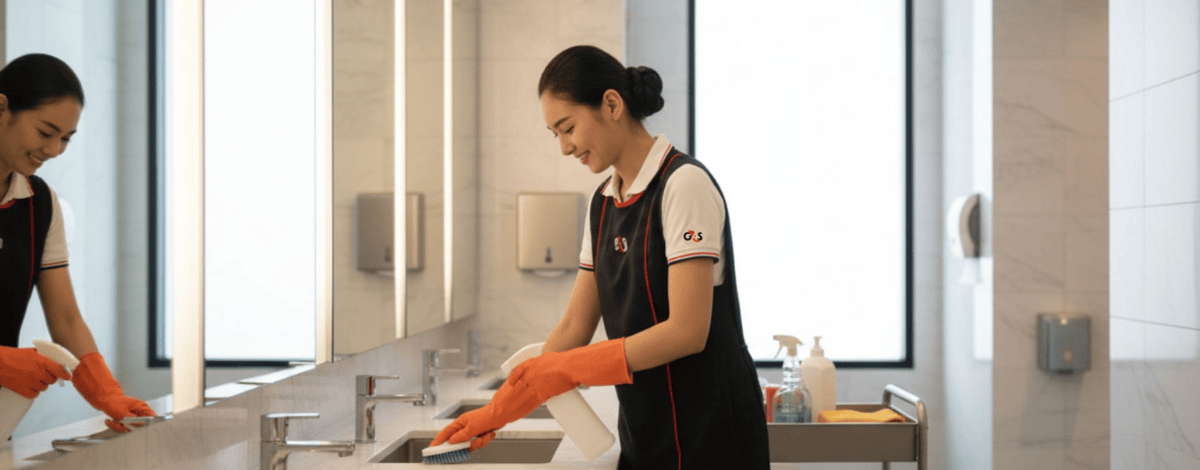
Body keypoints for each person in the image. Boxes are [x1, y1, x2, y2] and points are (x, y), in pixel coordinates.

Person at [431, 45, 769, 469]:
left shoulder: (683, 185)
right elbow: (575, 325)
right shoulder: (604, 203)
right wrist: (493, 413)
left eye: (567, 127)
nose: (564, 147)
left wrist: (569, 369)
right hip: (647, 436)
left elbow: (687, 331)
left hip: (711, 438)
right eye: (554, 134)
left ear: (611, 104)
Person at [0, 53, 155, 433]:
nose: (53, 151)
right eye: (45, 132)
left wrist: (108, 393)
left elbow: (66, 318)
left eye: (65, 139)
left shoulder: (40, 205)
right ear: (1, 107)